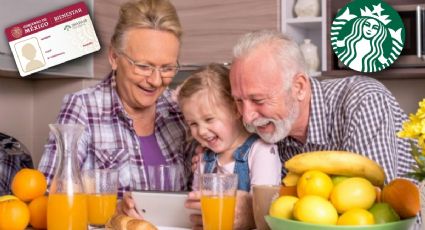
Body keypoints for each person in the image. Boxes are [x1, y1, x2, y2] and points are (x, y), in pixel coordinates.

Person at [185, 29, 415, 228]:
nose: (247, 116)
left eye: (259, 100)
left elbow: (373, 212)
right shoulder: (267, 128)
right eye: (238, 101)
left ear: (299, 87)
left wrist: (256, 211)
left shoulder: (362, 101)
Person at [38, 0, 196, 210]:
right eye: (143, 66)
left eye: (167, 68)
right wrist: (116, 208)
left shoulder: (180, 109)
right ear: (114, 57)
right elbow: (50, 194)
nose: (156, 81)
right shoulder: (83, 107)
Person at [177, 63, 281, 190]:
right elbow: (197, 202)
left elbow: (262, 204)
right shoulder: (203, 159)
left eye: (209, 119)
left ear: (236, 110)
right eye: (193, 123)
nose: (202, 131)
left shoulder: (261, 151)